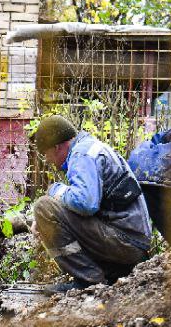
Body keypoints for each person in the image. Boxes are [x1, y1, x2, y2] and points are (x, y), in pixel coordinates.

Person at [30, 115, 153, 292]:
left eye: (45, 154)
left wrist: (54, 191)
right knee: (46, 209)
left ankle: (88, 280)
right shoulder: (89, 148)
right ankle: (111, 273)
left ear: (57, 147)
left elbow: (85, 203)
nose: (47, 160)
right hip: (130, 243)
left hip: (127, 244)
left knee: (43, 206)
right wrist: (44, 220)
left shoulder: (82, 155)